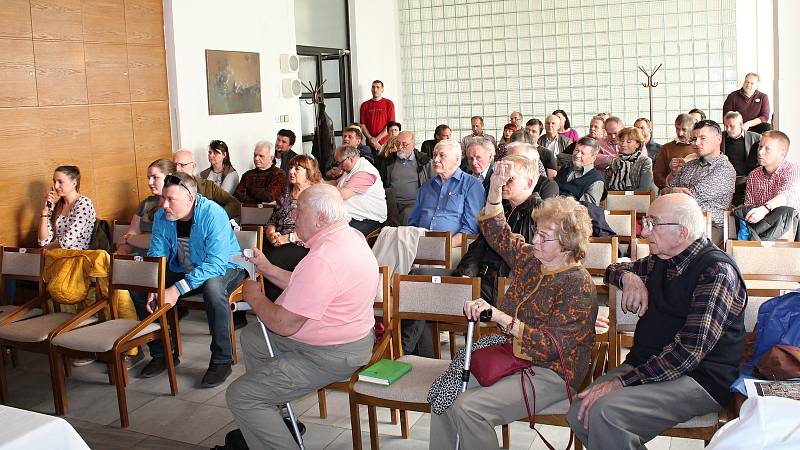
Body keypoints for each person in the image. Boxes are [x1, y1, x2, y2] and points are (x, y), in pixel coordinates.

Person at [430, 164, 597, 450]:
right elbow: (497, 232)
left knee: (470, 408)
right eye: (536, 232)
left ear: (568, 244)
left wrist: (500, 317)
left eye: (544, 237)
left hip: (552, 371)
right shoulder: (532, 260)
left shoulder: (577, 284)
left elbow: (551, 346)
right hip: (512, 355)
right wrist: (495, 189)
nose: (534, 240)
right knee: (446, 395)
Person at [567, 193, 747, 450]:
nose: (645, 231)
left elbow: (688, 353)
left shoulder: (716, 272)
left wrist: (620, 382)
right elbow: (612, 269)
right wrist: (629, 278)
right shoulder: (662, 259)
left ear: (681, 233)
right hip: (651, 365)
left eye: (653, 223)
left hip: (700, 378)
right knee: (579, 411)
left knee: (605, 413)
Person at [224, 184, 376, 450]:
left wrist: (254, 297)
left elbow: (284, 323)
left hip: (331, 354)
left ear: (320, 218)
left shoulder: (325, 257)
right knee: (255, 337)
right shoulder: (349, 236)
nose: (294, 217)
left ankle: (266, 416)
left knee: (241, 395)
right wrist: (267, 268)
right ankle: (276, 417)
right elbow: (305, 285)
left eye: (299, 211)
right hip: (348, 340)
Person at [133, 173, 246, 387]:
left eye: (171, 200)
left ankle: (222, 360)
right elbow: (157, 254)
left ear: (190, 199)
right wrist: (154, 282)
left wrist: (175, 289)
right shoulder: (161, 216)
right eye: (163, 198)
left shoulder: (213, 213)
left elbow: (216, 264)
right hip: (185, 269)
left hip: (227, 267)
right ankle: (163, 354)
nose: (164, 205)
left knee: (213, 288)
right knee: (141, 285)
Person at [452, 155, 543, 304]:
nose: (503, 183)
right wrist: (465, 275)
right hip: (484, 282)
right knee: (420, 293)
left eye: (510, 178)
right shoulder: (503, 209)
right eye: (501, 177)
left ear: (528, 183)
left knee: (428, 299)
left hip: (509, 288)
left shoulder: (541, 214)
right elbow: (478, 248)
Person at [663, 120, 735, 244]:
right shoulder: (689, 165)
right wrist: (672, 179)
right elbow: (663, 192)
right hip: (680, 221)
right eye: (694, 138)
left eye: (703, 138)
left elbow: (691, 198)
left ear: (718, 139)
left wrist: (671, 191)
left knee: (672, 242)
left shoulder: (725, 169)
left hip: (709, 224)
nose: (696, 143)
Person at [408, 139, 485, 248]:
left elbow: (471, 228)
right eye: (434, 155)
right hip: (420, 246)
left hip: (454, 247)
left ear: (457, 159)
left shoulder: (472, 185)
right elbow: (413, 223)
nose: (435, 159)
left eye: (442, 155)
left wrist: (444, 246)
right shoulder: (426, 187)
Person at [263, 155, 321, 300]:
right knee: (253, 255)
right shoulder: (286, 192)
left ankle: (279, 305)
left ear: (309, 172)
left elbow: (316, 229)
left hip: (304, 244)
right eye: (290, 167)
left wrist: (288, 238)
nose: (291, 171)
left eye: (297, 168)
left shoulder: (316, 194)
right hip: (279, 239)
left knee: (270, 261)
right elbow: (273, 219)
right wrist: (271, 233)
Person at [741, 131, 800, 235]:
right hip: (759, 230)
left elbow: (786, 195)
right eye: (760, 146)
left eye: (767, 149)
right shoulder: (753, 175)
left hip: (788, 229)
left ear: (782, 153)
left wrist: (765, 208)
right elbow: (749, 205)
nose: (760, 152)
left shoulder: (792, 170)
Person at [116, 159, 176, 256]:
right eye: (149, 178)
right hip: (137, 257)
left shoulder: (176, 204)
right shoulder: (146, 203)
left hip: (162, 259)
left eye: (155, 177)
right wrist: (122, 252)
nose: (150, 182)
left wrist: (129, 239)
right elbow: (131, 233)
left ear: (169, 177)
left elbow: (158, 240)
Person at [375, 130, 432, 224]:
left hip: (414, 204)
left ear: (413, 145)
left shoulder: (424, 162)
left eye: (404, 144)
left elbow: (434, 184)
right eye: (397, 143)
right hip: (391, 204)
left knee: (406, 214)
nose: (400, 147)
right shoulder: (388, 161)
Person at [330, 145, 387, 235]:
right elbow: (336, 183)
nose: (339, 167)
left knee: (339, 235)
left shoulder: (365, 172)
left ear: (350, 159)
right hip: (353, 215)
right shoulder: (350, 169)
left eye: (340, 163)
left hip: (368, 219)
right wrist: (319, 183)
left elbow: (344, 194)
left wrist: (322, 189)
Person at [39, 165, 96, 250]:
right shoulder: (56, 206)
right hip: (55, 255)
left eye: (60, 182)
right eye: (54, 182)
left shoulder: (84, 204)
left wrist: (44, 249)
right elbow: (43, 241)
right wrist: (45, 212)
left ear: (74, 183)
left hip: (76, 257)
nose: (56, 186)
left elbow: (67, 241)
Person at [173, 150, 241, 219]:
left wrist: (216, 217)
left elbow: (235, 204)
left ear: (193, 166)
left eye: (182, 165)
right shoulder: (166, 187)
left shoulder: (208, 186)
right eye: (174, 165)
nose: (177, 169)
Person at [722, 111, 762, 206]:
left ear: (740, 124)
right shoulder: (720, 137)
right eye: (726, 126)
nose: (728, 129)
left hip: (746, 179)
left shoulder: (756, 138)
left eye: (731, 126)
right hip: (725, 179)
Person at [555, 137, 607, 206]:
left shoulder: (596, 181)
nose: (577, 155)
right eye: (576, 150)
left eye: (583, 153)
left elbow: (588, 208)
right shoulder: (564, 168)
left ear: (593, 158)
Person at [233, 140, 287, 205]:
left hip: (270, 213)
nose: (256, 158)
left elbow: (269, 197)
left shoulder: (279, 174)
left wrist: (250, 190)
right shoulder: (247, 175)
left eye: (261, 156)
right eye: (255, 155)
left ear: (271, 158)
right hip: (248, 212)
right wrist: (261, 202)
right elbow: (237, 197)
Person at [652, 114, 697, 190]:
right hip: (671, 193)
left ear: (692, 128)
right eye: (677, 129)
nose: (680, 133)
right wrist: (669, 187)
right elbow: (657, 176)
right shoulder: (666, 148)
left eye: (684, 129)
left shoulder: (699, 147)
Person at [606, 127, 655, 193]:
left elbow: (644, 189)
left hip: (638, 199)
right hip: (615, 198)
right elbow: (608, 188)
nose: (623, 144)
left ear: (637, 144)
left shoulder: (645, 161)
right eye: (622, 141)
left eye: (628, 142)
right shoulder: (614, 161)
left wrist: (624, 196)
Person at [359, 80, 396, 150]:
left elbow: (390, 125)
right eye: (373, 87)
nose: (375, 90)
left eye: (378, 87)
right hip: (370, 144)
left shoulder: (389, 103)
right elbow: (362, 125)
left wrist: (377, 139)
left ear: (382, 89)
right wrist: (371, 139)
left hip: (386, 143)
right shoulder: (364, 105)